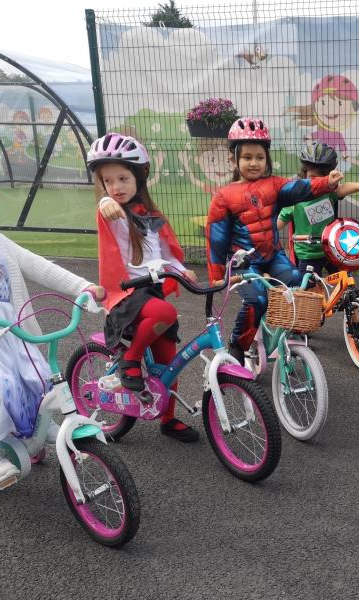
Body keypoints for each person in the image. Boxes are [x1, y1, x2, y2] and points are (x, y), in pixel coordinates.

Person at [0, 167, 105, 487]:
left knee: (37, 378)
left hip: (11, 333)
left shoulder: (1, 243)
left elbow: (40, 267)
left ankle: (41, 428)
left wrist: (83, 287)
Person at [89, 132, 199, 443]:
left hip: (150, 292)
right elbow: (105, 208)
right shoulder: (113, 214)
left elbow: (164, 256)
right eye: (108, 181)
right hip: (127, 294)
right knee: (165, 310)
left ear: (140, 178)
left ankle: (168, 420)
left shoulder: (149, 218)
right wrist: (106, 201)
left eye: (123, 178)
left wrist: (182, 271)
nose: (116, 187)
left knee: (170, 364)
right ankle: (130, 360)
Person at [206, 118, 343, 363]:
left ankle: (290, 331)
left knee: (300, 284)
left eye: (259, 157)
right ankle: (238, 345)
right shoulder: (223, 196)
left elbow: (301, 187)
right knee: (256, 300)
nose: (254, 162)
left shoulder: (275, 185)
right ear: (233, 159)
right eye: (247, 157)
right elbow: (216, 238)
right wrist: (217, 274)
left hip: (272, 256)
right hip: (244, 264)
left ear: (267, 159)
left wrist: (327, 183)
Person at [277, 141, 359, 275]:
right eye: (312, 177)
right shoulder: (295, 200)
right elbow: (277, 223)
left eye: (320, 178)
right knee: (308, 291)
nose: (316, 182)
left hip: (332, 249)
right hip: (307, 254)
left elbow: (343, 188)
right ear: (304, 174)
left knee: (346, 282)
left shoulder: (328, 194)